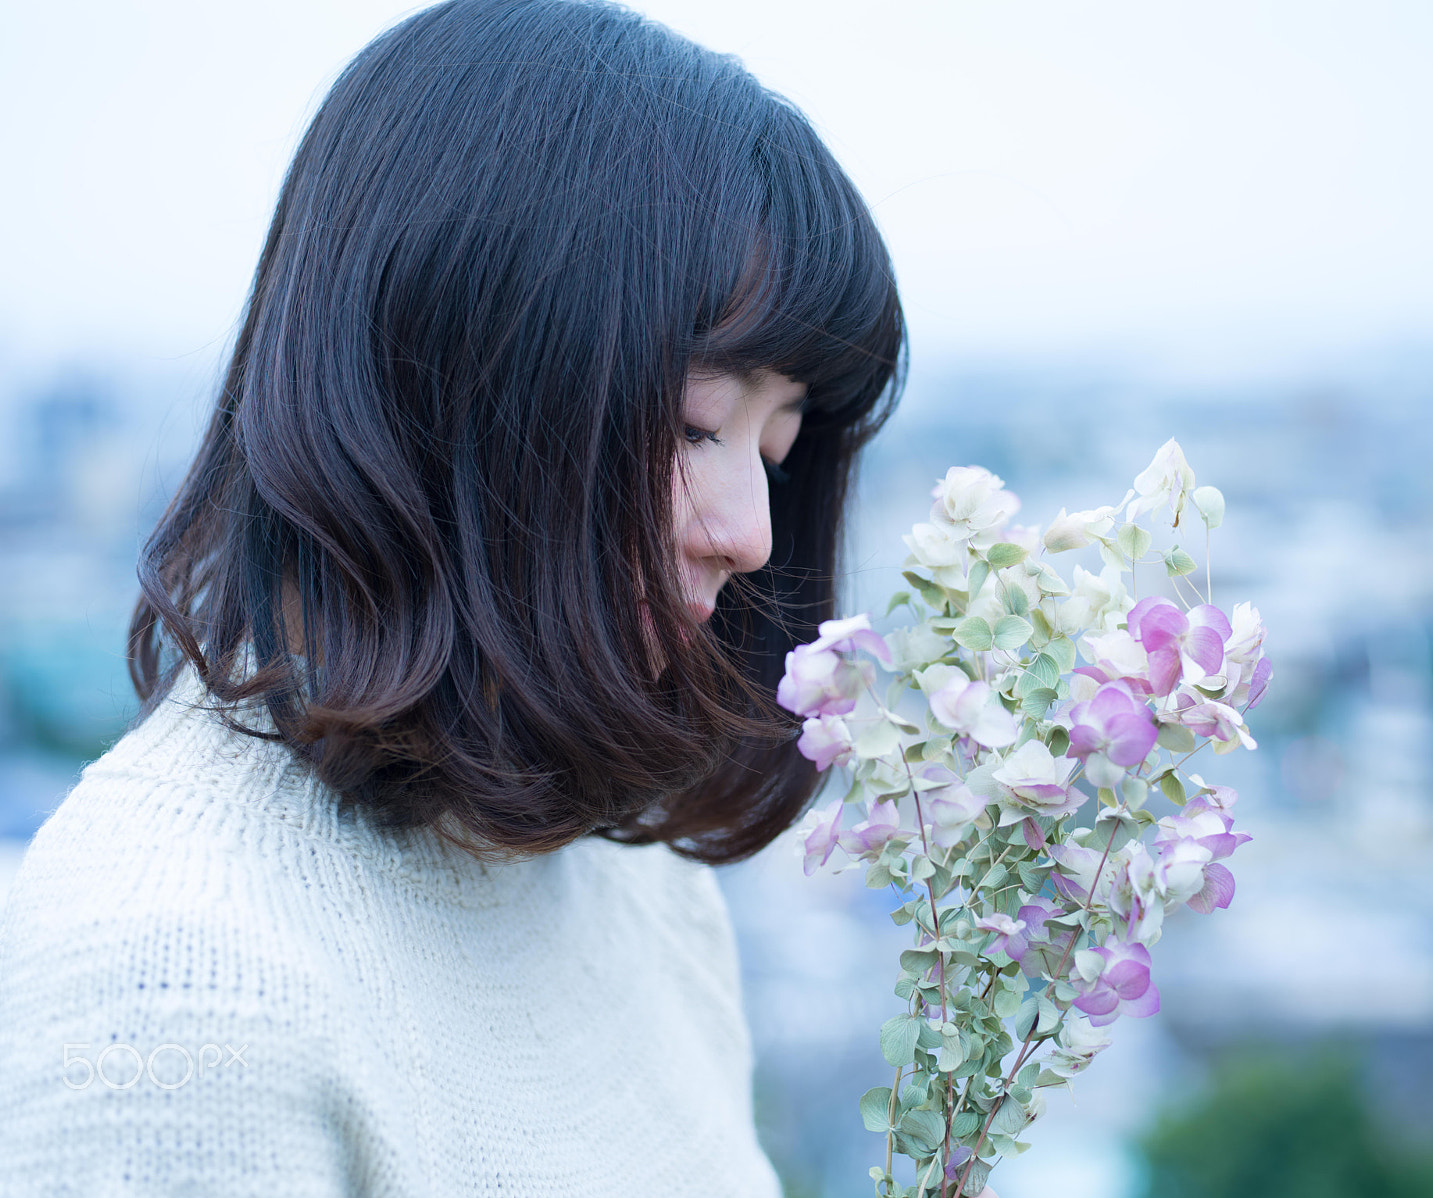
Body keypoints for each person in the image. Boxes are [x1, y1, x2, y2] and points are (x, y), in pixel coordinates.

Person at [0, 1, 904, 1193]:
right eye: (694, 424)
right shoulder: (171, 992)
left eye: (776, 448)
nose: (750, 533)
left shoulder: (618, 862)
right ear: (453, 380)